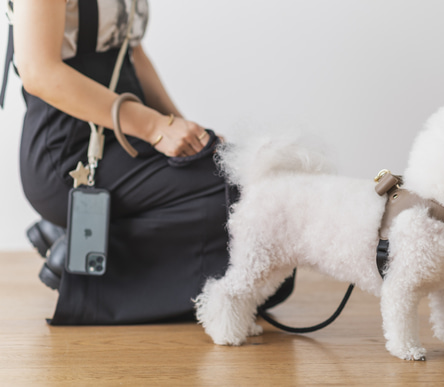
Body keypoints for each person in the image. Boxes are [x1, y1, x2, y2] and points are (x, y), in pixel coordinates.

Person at [7, 0, 293, 325]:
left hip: (130, 125)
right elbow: (38, 72)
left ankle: (76, 236)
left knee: (255, 187)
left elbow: (133, 55)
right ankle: (86, 270)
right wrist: (154, 127)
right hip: (70, 150)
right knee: (238, 205)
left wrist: (186, 132)